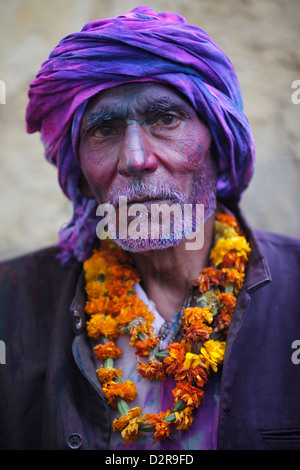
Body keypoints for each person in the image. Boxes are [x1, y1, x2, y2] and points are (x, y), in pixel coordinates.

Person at [0, 6, 300, 451]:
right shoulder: (11, 300)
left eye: (166, 119)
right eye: (104, 129)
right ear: (81, 173)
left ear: (218, 145)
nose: (136, 158)